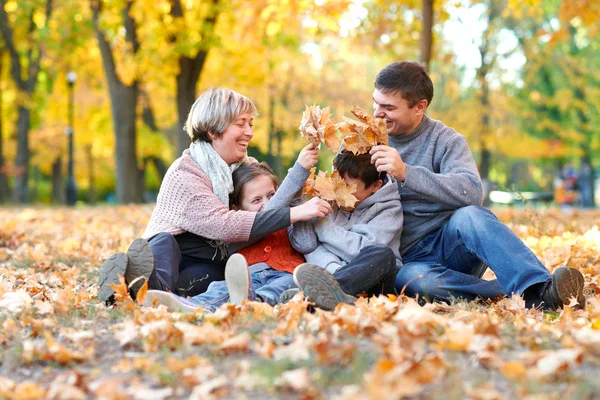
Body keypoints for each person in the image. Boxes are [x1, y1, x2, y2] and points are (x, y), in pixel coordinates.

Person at [368, 61, 585, 310]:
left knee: (470, 215)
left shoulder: (446, 140)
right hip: (408, 259)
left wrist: (407, 173)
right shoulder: (363, 141)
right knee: (412, 280)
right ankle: (519, 294)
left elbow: (471, 191)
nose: (377, 113)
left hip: (453, 244)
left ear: (419, 107)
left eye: (388, 107)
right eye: (375, 102)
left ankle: (538, 286)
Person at [97, 88, 332, 304]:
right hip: (175, 249)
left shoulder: (243, 166)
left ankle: (138, 293)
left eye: (250, 124)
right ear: (213, 130)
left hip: (212, 256)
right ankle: (139, 285)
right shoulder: (185, 173)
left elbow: (269, 203)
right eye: (241, 124)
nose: (249, 132)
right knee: (164, 245)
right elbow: (223, 224)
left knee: (212, 279)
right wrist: (294, 213)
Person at [283, 150, 404, 311]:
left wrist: (321, 225)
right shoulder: (329, 196)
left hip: (374, 284)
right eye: (338, 183)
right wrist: (298, 200)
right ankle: (331, 297)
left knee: (383, 254)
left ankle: (316, 297)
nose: (340, 191)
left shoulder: (389, 210)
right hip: (332, 272)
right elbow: (308, 245)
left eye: (348, 186)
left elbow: (359, 251)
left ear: (376, 186)